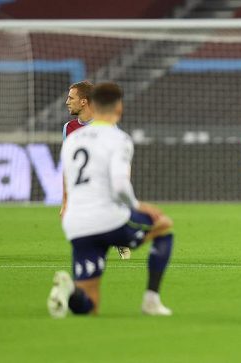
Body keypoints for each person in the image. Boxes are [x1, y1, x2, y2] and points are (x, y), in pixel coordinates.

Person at [47, 82, 174, 317]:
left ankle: (71, 291)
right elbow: (119, 184)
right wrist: (137, 206)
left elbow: (67, 175)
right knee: (164, 226)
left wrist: (66, 204)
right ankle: (151, 300)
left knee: (90, 304)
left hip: (76, 223)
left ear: (91, 104)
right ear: (118, 107)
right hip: (107, 218)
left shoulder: (73, 139)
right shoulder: (118, 138)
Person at [61, 81, 131, 260]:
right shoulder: (68, 128)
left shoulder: (107, 127)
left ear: (84, 102)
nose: (67, 101)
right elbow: (67, 167)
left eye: (71, 98)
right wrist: (65, 201)